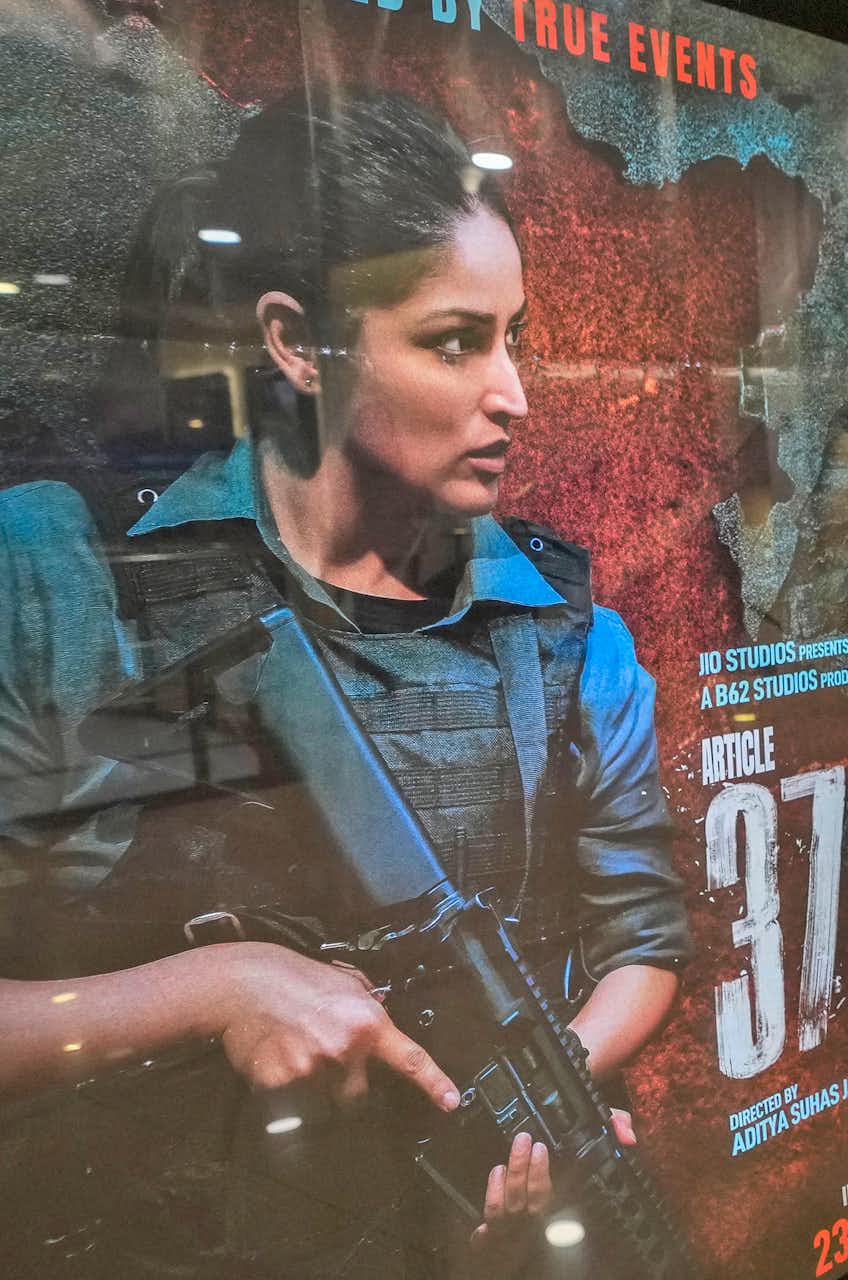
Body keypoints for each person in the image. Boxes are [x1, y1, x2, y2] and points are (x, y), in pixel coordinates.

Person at [0, 89, 691, 1277]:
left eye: (514, 333)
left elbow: (644, 936)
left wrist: (525, 1115)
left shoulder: (570, 636)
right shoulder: (61, 579)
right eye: (454, 339)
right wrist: (218, 986)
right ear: (293, 340)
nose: (514, 392)